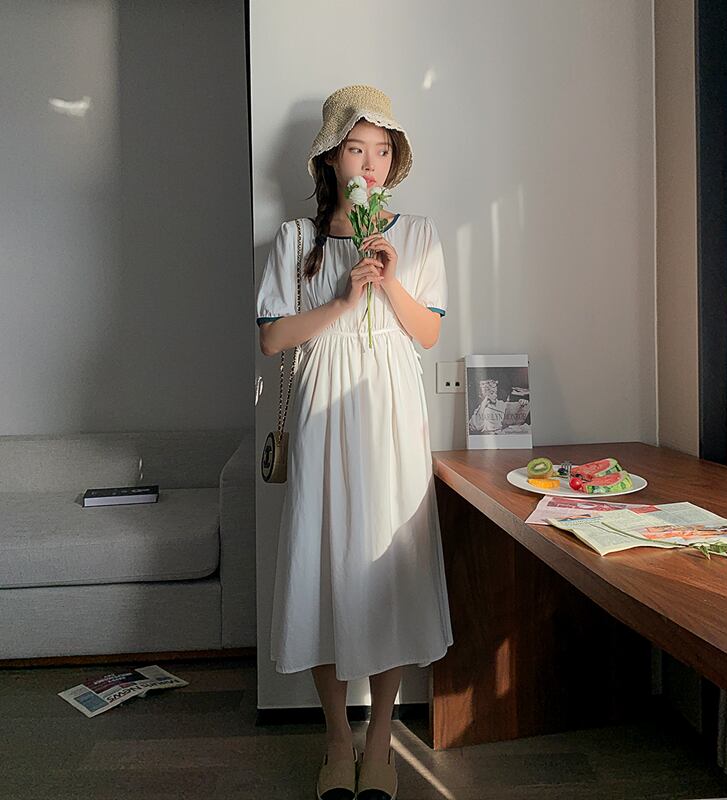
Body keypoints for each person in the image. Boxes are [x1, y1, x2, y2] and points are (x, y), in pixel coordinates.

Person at [256, 85, 453, 800]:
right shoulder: (295, 240)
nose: (369, 163)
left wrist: (389, 281)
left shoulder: (418, 233)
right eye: (355, 148)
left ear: (393, 161)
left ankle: (380, 742)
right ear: (331, 160)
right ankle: (336, 739)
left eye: (381, 150)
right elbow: (273, 339)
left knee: (389, 568)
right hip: (323, 414)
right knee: (322, 562)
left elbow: (427, 333)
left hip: (391, 413)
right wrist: (343, 300)